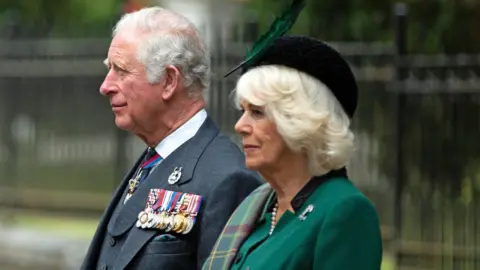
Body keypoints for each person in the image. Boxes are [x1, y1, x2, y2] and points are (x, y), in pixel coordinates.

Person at [81, 7, 261, 270]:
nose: (105, 86)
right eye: (110, 69)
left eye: (120, 70)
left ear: (168, 81)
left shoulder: (227, 179)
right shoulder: (152, 159)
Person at [202, 35, 383, 270]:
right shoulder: (259, 206)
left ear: (300, 120)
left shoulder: (346, 212)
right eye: (243, 111)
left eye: (257, 112)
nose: (240, 126)